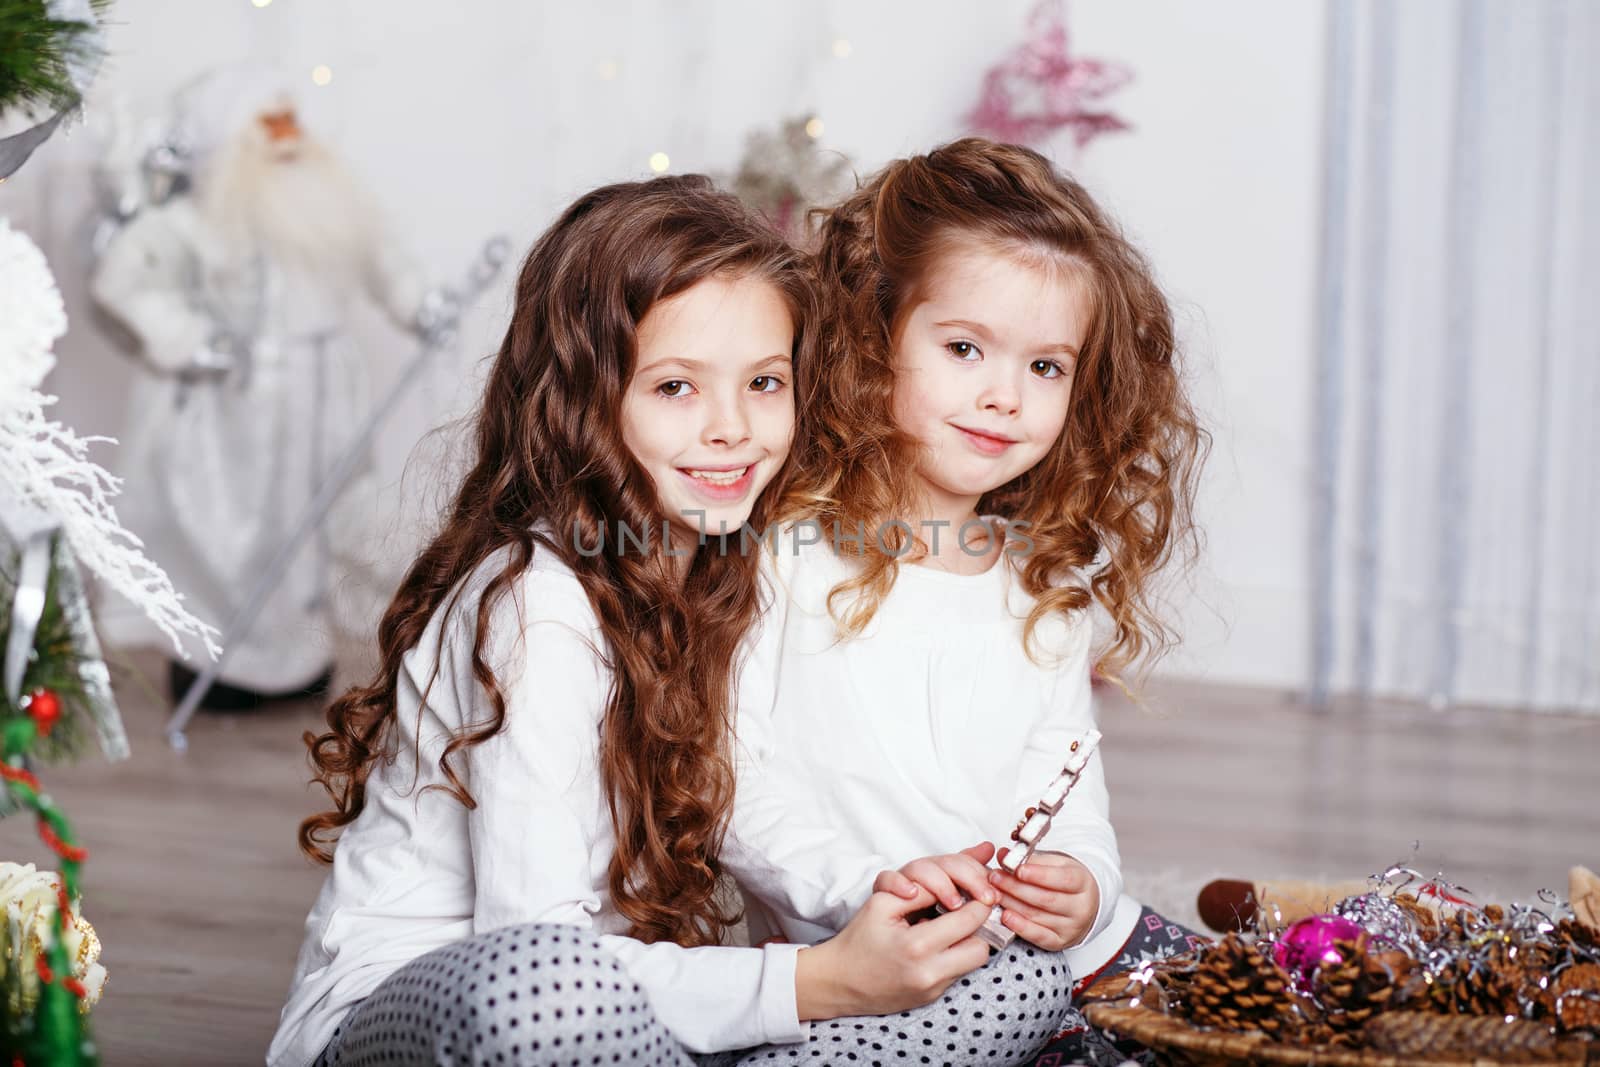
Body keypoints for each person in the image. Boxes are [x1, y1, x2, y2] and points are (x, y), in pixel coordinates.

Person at [270, 175, 1059, 1067]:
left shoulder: (726, 564)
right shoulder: (536, 606)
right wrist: (819, 982)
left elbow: (739, 801)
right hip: (462, 1017)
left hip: (620, 1012)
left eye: (764, 381)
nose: (731, 428)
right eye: (677, 387)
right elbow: (534, 946)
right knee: (547, 986)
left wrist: (880, 897)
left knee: (1015, 970)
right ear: (582, 401)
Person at [725, 138, 1209, 1065]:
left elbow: (1069, 797)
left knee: (1274, 1009)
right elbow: (736, 792)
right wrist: (874, 885)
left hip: (1056, 958)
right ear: (874, 337)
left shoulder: (1041, 587)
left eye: (1046, 367)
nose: (1004, 397)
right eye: (963, 348)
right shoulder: (783, 558)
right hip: (866, 976)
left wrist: (1088, 886)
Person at [90, 66, 428, 708]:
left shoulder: (331, 203)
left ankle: (295, 654)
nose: (287, 135)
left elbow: (386, 260)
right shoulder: (197, 220)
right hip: (240, 405)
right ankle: (220, 657)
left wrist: (420, 302)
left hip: (325, 396)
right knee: (234, 533)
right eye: (268, 122)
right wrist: (189, 337)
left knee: (315, 525)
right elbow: (126, 284)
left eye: (290, 118)